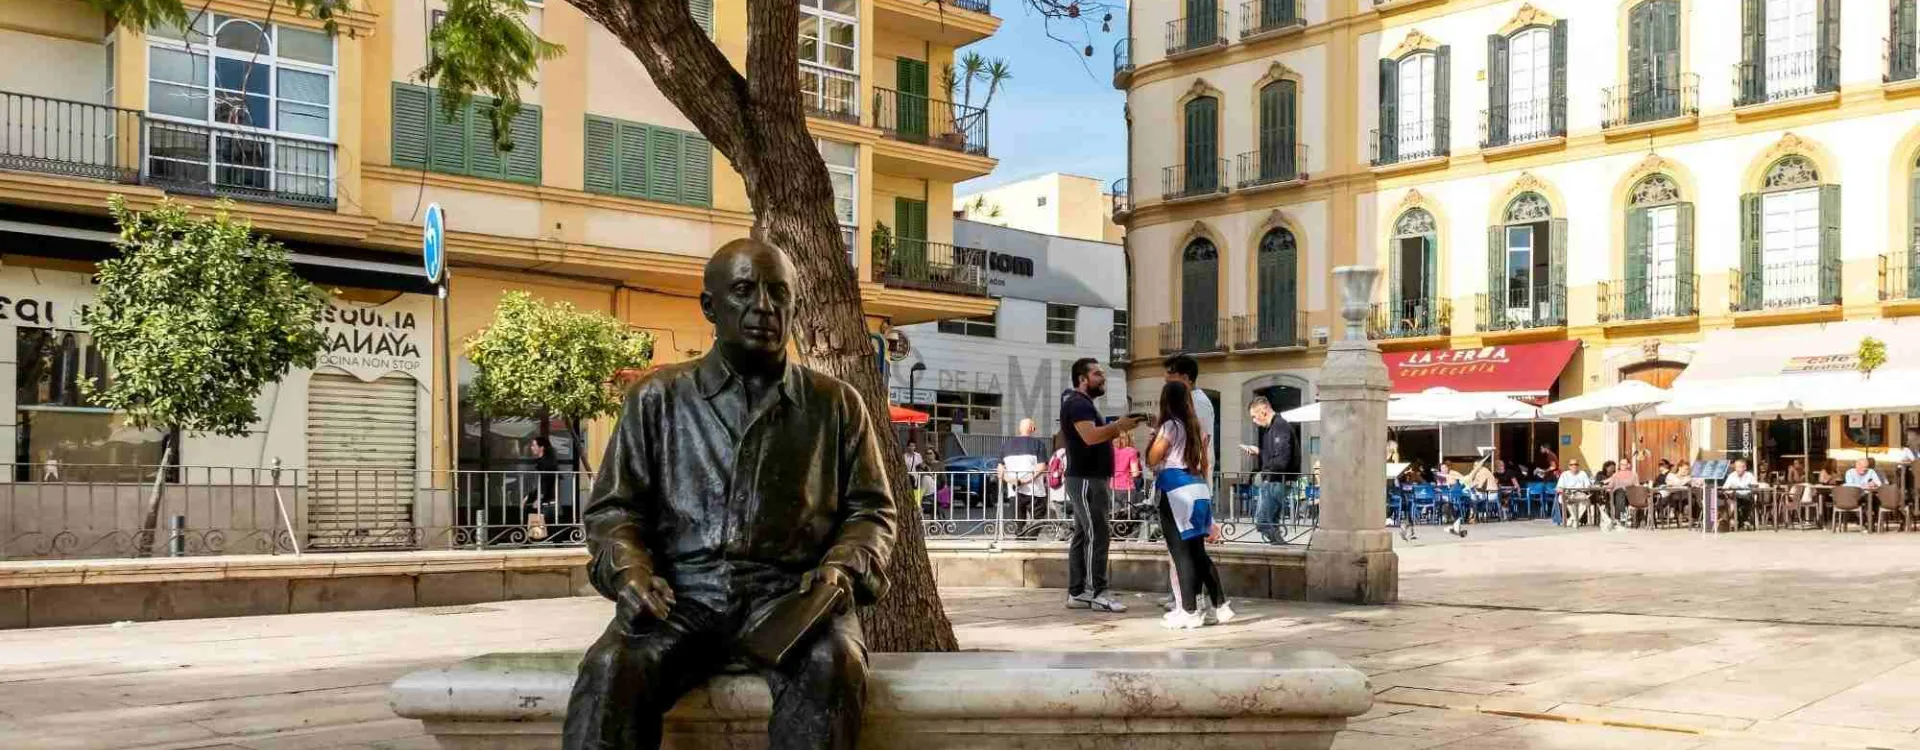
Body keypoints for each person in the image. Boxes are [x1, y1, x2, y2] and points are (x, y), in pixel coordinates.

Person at [564, 239, 894, 750]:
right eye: (744, 290)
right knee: (611, 667)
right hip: (683, 598)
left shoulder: (835, 405)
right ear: (710, 306)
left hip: (791, 600)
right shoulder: (658, 398)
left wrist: (843, 567)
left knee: (834, 663)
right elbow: (615, 509)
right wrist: (631, 570)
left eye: (778, 293)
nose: (764, 307)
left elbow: (870, 511)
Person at [1058, 358, 1141, 614]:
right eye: (1097, 374)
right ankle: (1098, 593)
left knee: (1084, 534)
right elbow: (1090, 437)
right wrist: (1119, 426)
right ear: (1083, 378)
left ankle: (1078, 592)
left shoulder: (1082, 404)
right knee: (1098, 534)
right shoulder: (1079, 404)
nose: (1102, 378)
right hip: (1086, 479)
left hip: (1088, 478)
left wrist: (1117, 426)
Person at [1147, 380, 1230, 630]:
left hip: (1175, 489)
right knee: (1197, 552)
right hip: (1198, 488)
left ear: (1166, 401)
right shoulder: (1198, 427)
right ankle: (1220, 606)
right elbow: (1204, 464)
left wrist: (1154, 437)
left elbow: (1153, 457)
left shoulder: (1170, 426)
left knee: (1180, 552)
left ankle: (1189, 611)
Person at [1240, 396, 1294, 545]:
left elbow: (1282, 458)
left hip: (1275, 481)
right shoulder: (1273, 428)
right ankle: (1279, 547)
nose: (1254, 421)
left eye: (1254, 416)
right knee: (1271, 521)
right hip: (1274, 480)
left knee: (1263, 521)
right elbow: (1276, 454)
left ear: (1263, 411)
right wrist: (1259, 451)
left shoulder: (1279, 427)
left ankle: (1281, 546)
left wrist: (1265, 473)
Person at [998, 419, 1050, 522]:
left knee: (1019, 523)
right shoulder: (1038, 444)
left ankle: (1021, 537)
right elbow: (1041, 467)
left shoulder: (1006, 445)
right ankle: (1028, 537)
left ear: (1019, 429)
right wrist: (1024, 481)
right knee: (1038, 521)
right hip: (1035, 491)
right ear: (1032, 428)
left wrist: (1013, 481)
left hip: (1014, 491)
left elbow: (1000, 470)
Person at [1163, 354, 1214, 457]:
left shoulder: (1199, 402)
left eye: (1170, 374)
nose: (1166, 380)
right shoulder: (1183, 400)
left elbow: (1202, 440)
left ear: (1185, 378)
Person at [1109, 430, 1143, 510]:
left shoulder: (1110, 451)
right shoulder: (1131, 451)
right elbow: (1135, 473)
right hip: (1128, 486)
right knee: (1129, 514)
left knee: (1115, 514)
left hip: (1113, 486)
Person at [1556, 458, 1593, 528]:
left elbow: (1588, 486)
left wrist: (1587, 487)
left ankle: (1573, 519)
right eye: (1572, 465)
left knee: (1587, 501)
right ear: (1569, 466)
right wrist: (1563, 491)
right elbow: (1559, 487)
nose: (1574, 466)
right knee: (1566, 500)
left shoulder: (1583, 473)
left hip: (1580, 494)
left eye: (1576, 464)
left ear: (1578, 465)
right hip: (1568, 494)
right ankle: (1576, 520)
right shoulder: (1564, 474)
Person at [1603, 459, 1639, 531]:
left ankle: (1620, 520)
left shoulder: (1633, 474)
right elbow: (1611, 486)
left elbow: (1637, 486)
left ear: (1628, 465)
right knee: (1620, 492)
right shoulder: (1616, 474)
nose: (1622, 466)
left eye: (1624, 464)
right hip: (1618, 494)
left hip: (1630, 494)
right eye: (1621, 464)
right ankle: (1620, 520)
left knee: (1622, 494)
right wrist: (1605, 488)